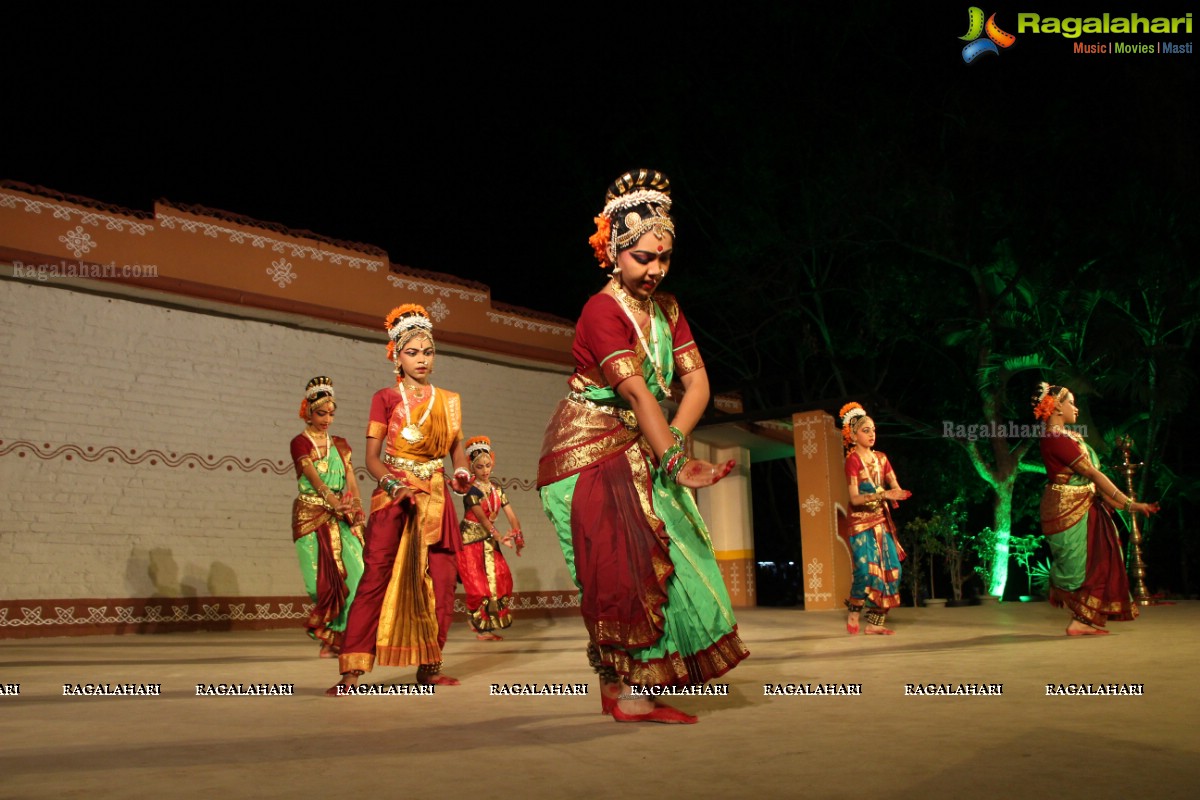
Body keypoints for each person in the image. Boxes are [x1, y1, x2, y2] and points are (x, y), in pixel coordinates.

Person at [537, 168, 749, 725]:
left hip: (642, 442)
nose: (654, 270)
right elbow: (634, 390)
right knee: (621, 567)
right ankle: (627, 692)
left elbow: (697, 384)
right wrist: (676, 462)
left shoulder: (669, 310)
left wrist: (672, 444)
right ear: (613, 251)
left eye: (664, 258)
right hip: (587, 450)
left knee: (677, 554)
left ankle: (634, 685)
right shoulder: (601, 310)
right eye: (642, 258)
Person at [329, 305, 470, 695]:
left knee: (442, 584)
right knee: (375, 579)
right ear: (396, 354)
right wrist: (394, 486)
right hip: (395, 499)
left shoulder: (450, 401)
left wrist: (460, 472)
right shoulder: (385, 398)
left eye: (428, 352)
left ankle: (429, 666)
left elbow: (456, 450)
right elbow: (373, 459)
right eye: (413, 352)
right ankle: (351, 673)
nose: (422, 359)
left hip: (437, 500)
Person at [1032, 383, 1158, 635]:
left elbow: (1093, 482)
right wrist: (1129, 503)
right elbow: (1092, 473)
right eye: (1071, 402)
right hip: (1068, 507)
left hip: (1086, 503)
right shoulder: (1055, 439)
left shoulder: (1070, 436)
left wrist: (1124, 505)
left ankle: (1083, 620)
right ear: (1056, 405)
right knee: (1086, 565)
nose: (1075, 408)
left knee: (1103, 558)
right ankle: (1080, 618)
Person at [290, 376, 366, 656]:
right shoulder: (299, 443)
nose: (327, 420)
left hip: (340, 516)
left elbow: (350, 477)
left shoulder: (341, 444)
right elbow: (313, 476)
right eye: (322, 413)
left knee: (356, 574)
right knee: (317, 583)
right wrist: (333, 501)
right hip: (310, 513)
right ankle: (328, 634)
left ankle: (342, 638)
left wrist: (355, 504)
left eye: (331, 414)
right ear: (308, 411)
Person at [839, 402, 911, 635]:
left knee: (893, 570)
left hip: (880, 519)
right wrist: (884, 494)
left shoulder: (881, 458)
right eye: (866, 430)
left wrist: (896, 493)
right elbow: (854, 498)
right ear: (853, 435)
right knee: (865, 570)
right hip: (860, 521)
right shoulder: (852, 460)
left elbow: (894, 483)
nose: (872, 434)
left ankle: (874, 624)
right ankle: (853, 610)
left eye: (873, 430)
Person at [457, 436, 524, 640]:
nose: (485, 470)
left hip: (489, 541)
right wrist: (498, 536)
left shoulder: (497, 490)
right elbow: (483, 520)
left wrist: (517, 535)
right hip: (469, 541)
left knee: (503, 578)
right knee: (478, 587)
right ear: (472, 468)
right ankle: (477, 623)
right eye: (479, 467)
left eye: (487, 465)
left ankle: (485, 624)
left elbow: (511, 515)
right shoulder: (471, 491)